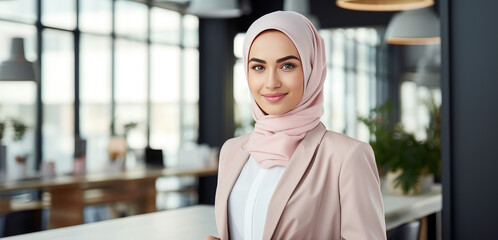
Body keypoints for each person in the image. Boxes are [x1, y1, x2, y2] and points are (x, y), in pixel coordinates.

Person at [207, 11, 386, 240]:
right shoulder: (232, 151)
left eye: (287, 66)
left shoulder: (346, 157)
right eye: (259, 67)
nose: (271, 82)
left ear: (312, 68)